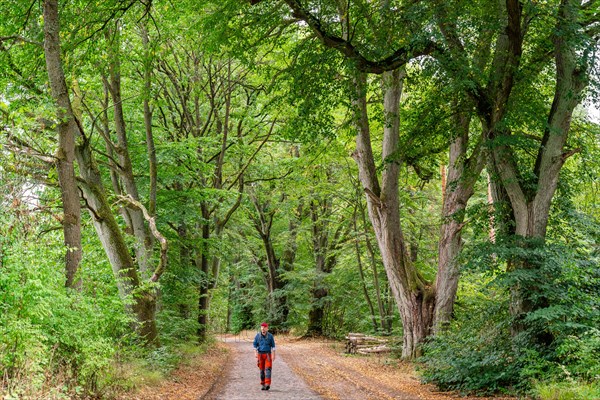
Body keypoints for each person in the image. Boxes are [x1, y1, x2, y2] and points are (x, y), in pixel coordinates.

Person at [253, 322, 276, 390]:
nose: (263, 329)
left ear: (267, 328)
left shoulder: (270, 336)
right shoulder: (257, 336)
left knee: (268, 369)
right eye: (262, 327)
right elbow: (254, 345)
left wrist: (273, 355)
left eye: (264, 327)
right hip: (260, 355)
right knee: (262, 370)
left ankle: (267, 384)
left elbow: (273, 346)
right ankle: (263, 384)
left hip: (268, 355)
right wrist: (255, 353)